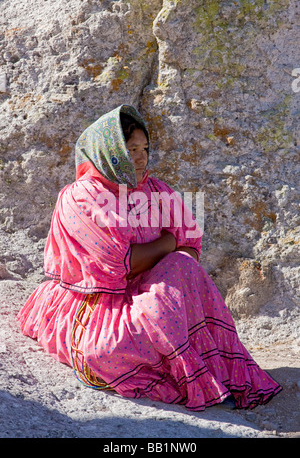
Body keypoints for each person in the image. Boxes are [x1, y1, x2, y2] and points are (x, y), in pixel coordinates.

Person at [18, 104, 282, 410]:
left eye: (145, 148)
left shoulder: (155, 190)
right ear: (109, 151)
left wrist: (163, 266)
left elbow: (190, 244)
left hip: (150, 296)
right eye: (131, 149)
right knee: (106, 352)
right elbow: (120, 264)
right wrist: (167, 244)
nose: (141, 157)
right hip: (103, 303)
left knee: (183, 268)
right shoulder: (82, 196)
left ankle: (197, 362)